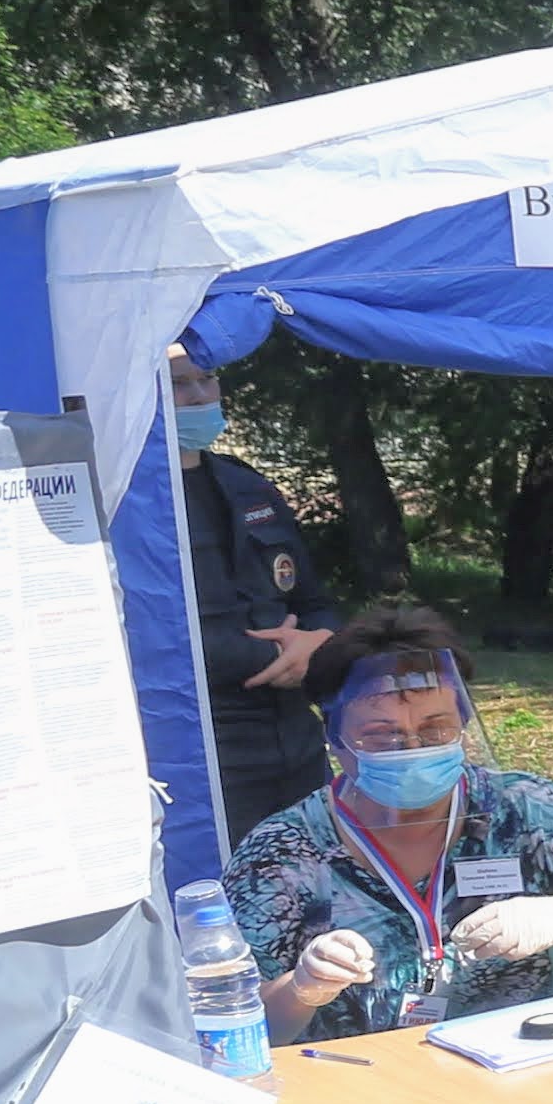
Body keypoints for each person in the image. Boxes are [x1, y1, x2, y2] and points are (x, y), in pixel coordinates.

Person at [225, 605, 553, 1044]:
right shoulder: (283, 853)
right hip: (364, 1084)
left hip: (528, 1064)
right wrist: (302, 989)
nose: (413, 748)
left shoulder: (523, 809)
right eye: (381, 735)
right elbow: (232, 1025)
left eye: (436, 729)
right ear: (335, 738)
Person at [172, 351, 341, 846]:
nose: (199, 396)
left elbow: (314, 601)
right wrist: (279, 653)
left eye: (207, 379)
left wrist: (320, 642)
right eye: (179, 384)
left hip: (297, 742)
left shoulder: (248, 488)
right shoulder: (132, 500)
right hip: (207, 751)